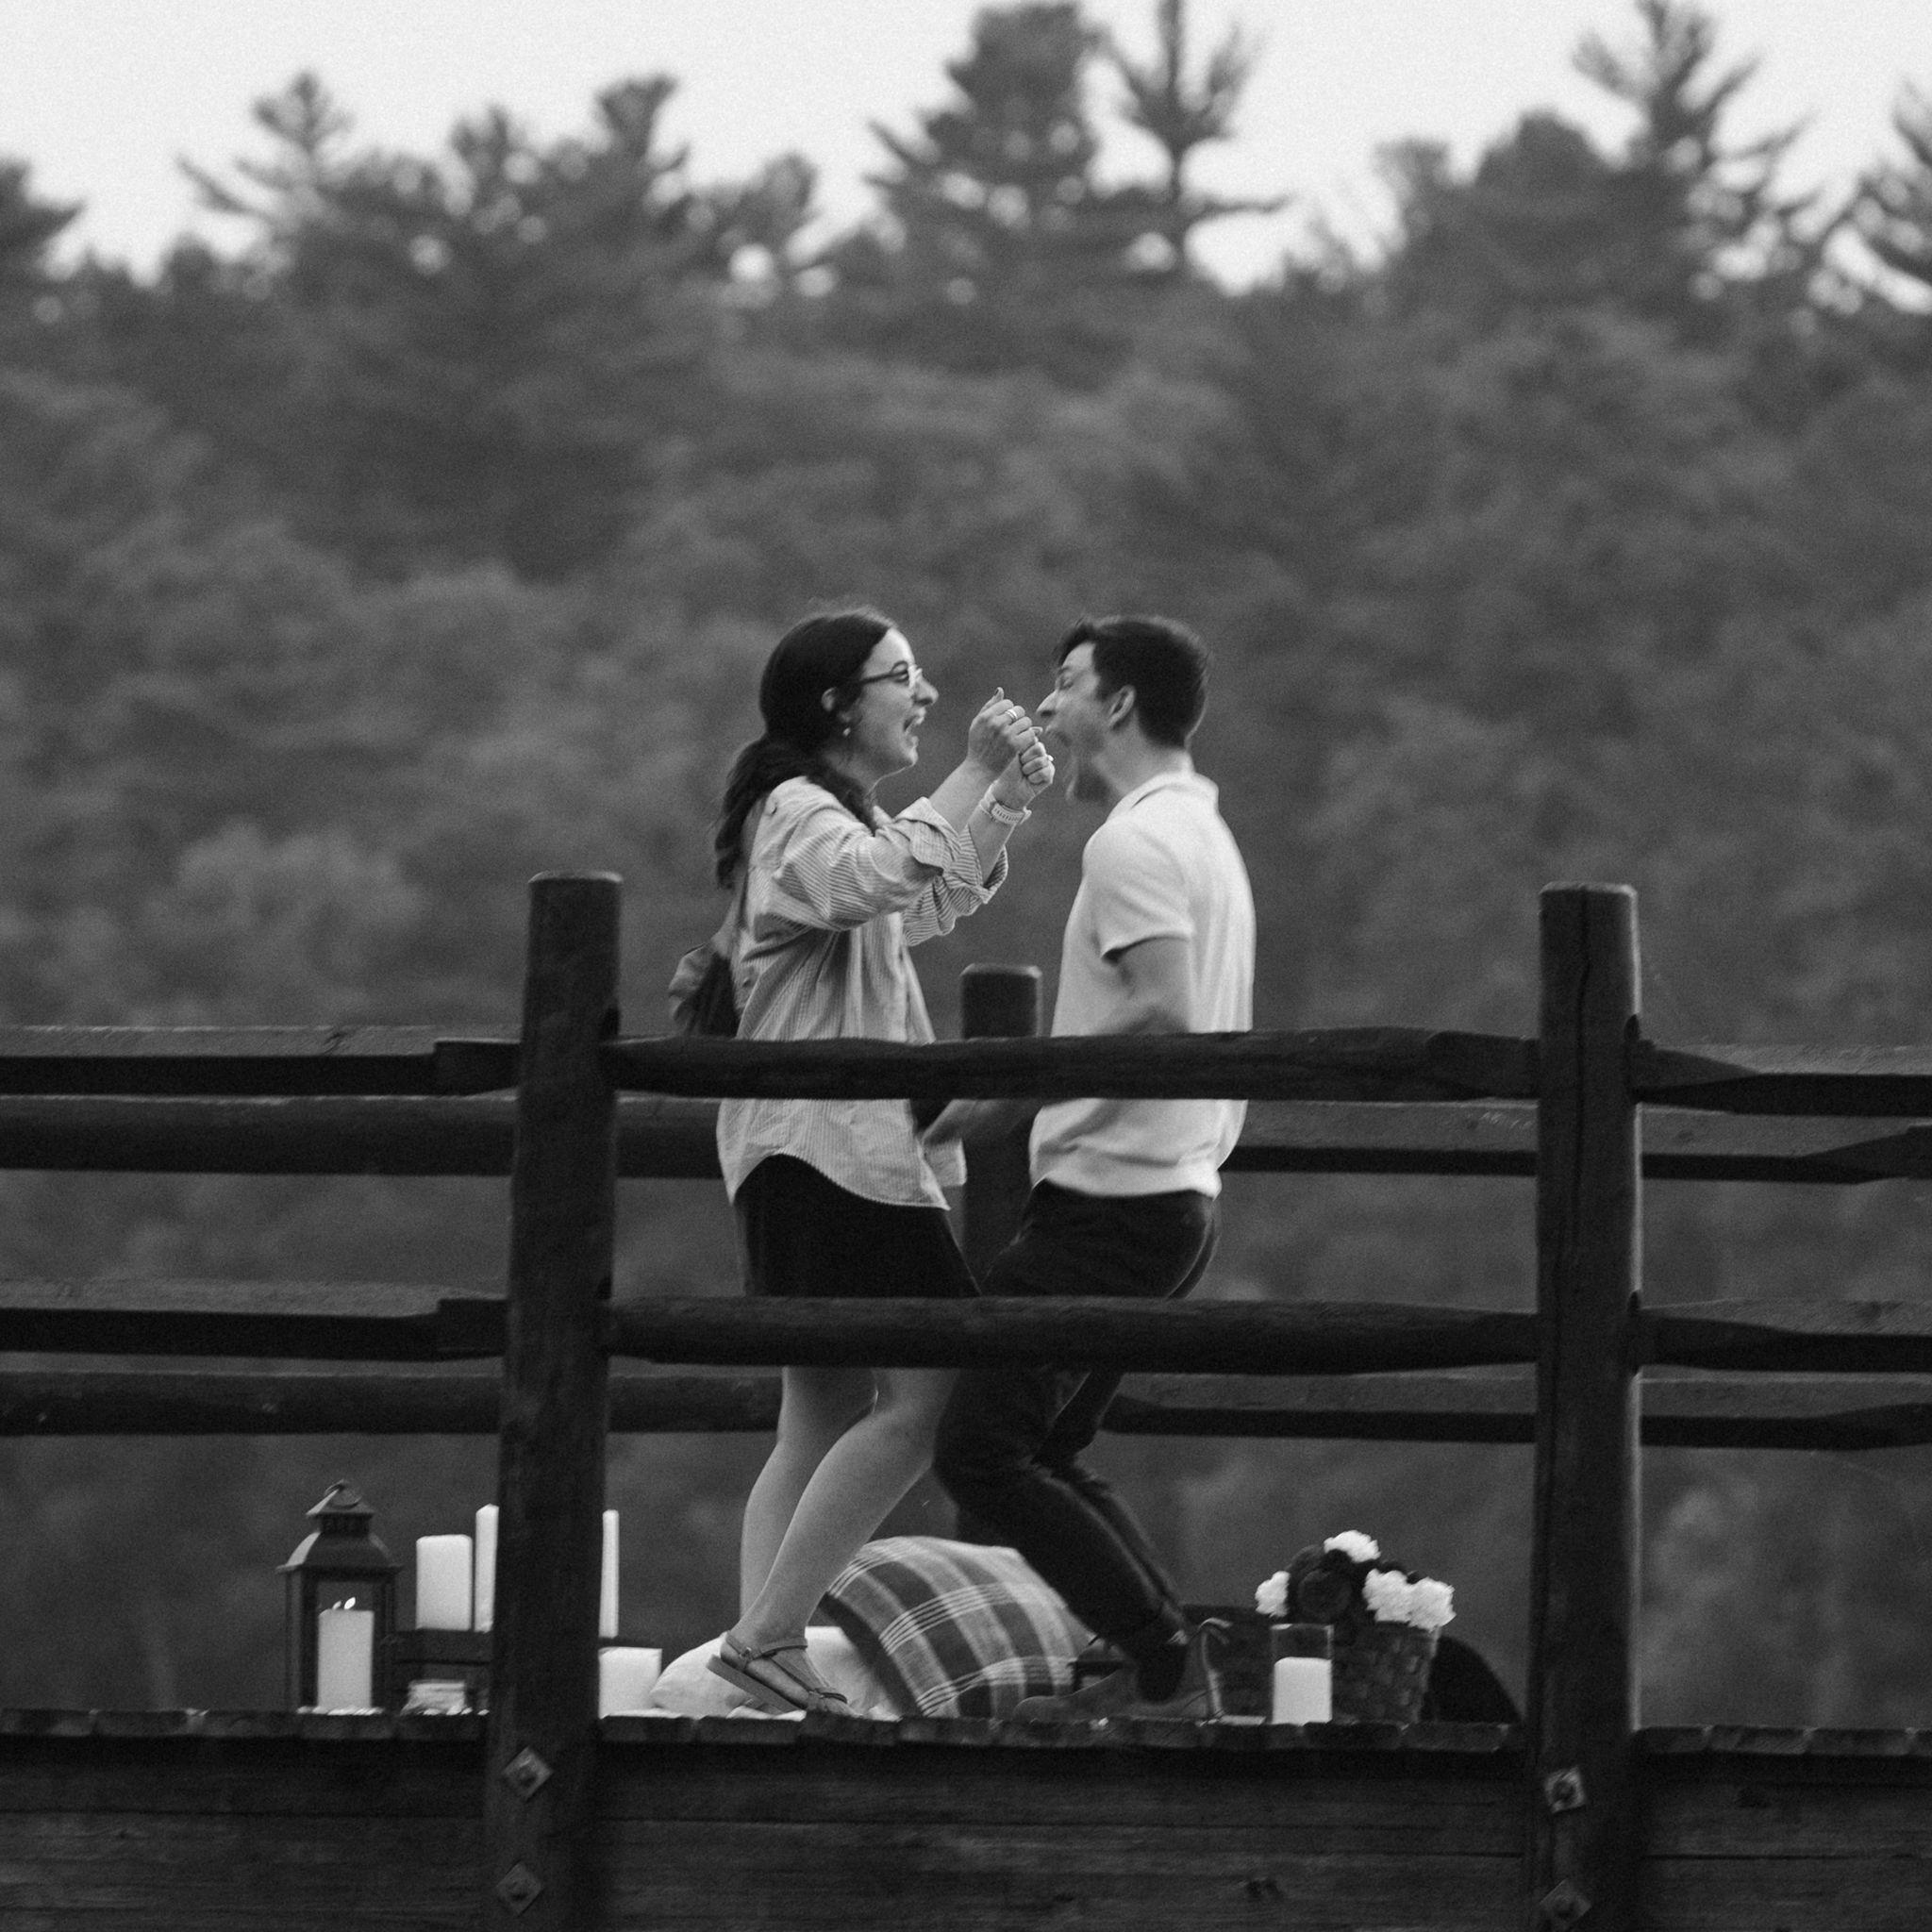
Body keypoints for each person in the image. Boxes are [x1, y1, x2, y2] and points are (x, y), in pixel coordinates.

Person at [706, 607, 1056, 1717]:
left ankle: (758, 1663)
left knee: (819, 1409)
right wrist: (973, 770)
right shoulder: (795, 811)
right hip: (832, 1150)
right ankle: (767, 1636)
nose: (925, 693)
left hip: (807, 1151)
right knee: (931, 1388)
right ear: (835, 703)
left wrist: (1001, 800)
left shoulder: (825, 814)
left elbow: (920, 898)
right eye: (900, 675)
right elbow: (869, 881)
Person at [929, 613, 1255, 1722]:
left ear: (1116, 703)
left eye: (1065, 683)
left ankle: (1156, 1656)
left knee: (981, 1450)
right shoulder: (1202, 833)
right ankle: (1162, 1659)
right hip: (1175, 1196)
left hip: (1112, 1202)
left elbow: (1161, 1009)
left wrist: (1010, 1097)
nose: (1047, 704)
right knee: (1050, 1442)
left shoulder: (1133, 842)